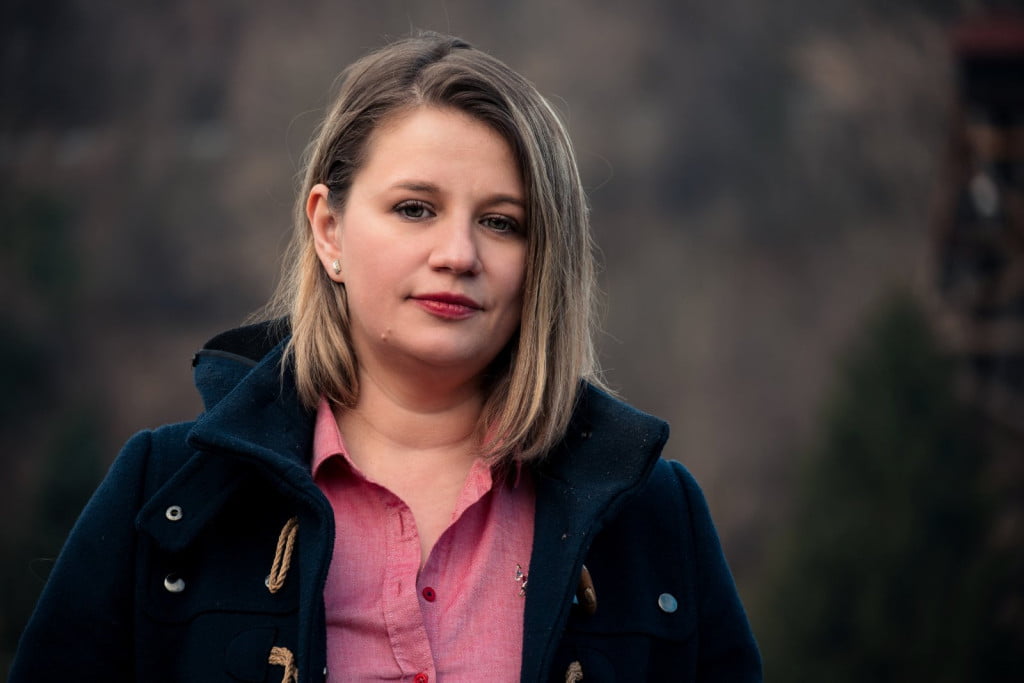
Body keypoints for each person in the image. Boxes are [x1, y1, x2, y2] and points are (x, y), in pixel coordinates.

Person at [11, 32, 761, 682]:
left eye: (502, 222)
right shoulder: (166, 491)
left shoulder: (655, 517)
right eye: (415, 209)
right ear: (329, 229)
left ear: (545, 261)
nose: (458, 254)